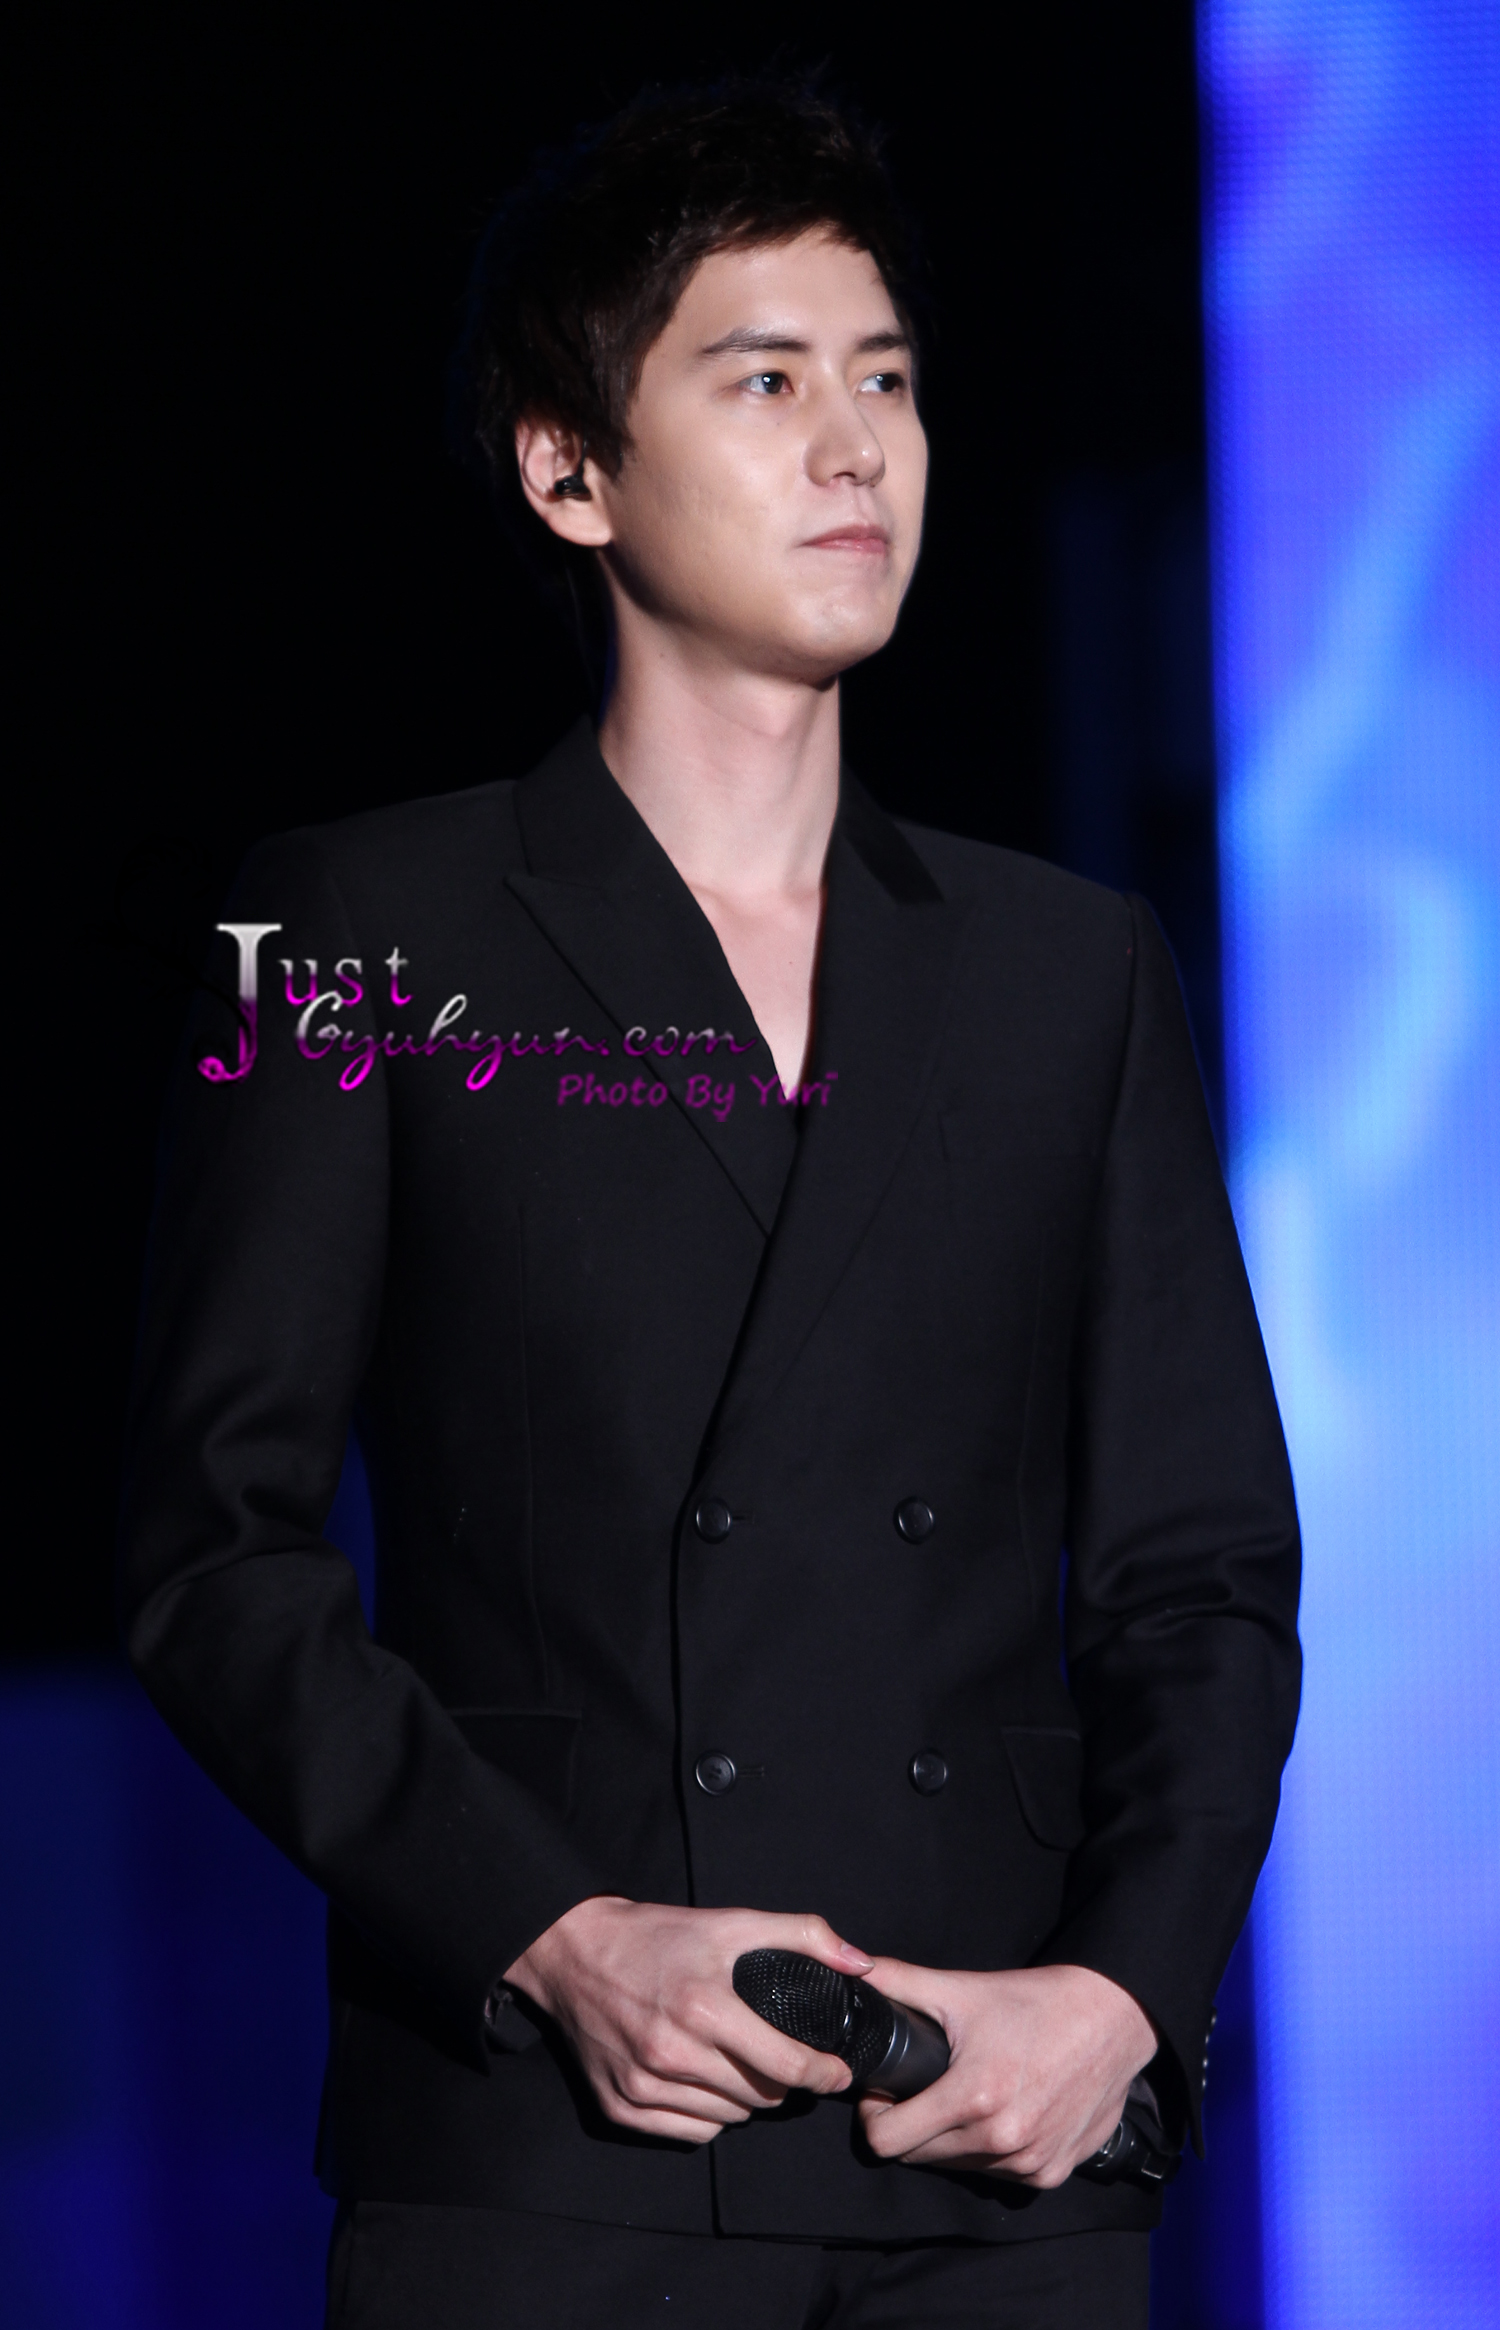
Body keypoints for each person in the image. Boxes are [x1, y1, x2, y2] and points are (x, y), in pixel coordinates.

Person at [120, 75, 1301, 2330]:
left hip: (991, 2147)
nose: (857, 447)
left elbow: (1205, 1573)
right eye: (765, 383)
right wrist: (550, 1935)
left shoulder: (1070, 969)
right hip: (553, 2152)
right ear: (569, 469)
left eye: (889, 381)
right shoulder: (345, 930)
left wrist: (1125, 1999)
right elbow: (213, 1552)